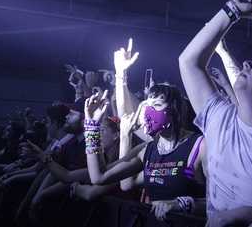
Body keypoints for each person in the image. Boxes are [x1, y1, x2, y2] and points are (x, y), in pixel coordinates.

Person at [178, 0, 252, 225]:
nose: (247, 63)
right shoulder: (218, 117)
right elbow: (189, 62)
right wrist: (232, 10)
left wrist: (245, 213)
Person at [84, 74, 207, 221]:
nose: (149, 112)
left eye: (157, 105)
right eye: (147, 106)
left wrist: (184, 204)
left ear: (175, 109)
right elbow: (99, 176)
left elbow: (226, 201)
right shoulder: (146, 150)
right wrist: (92, 128)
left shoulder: (200, 145)